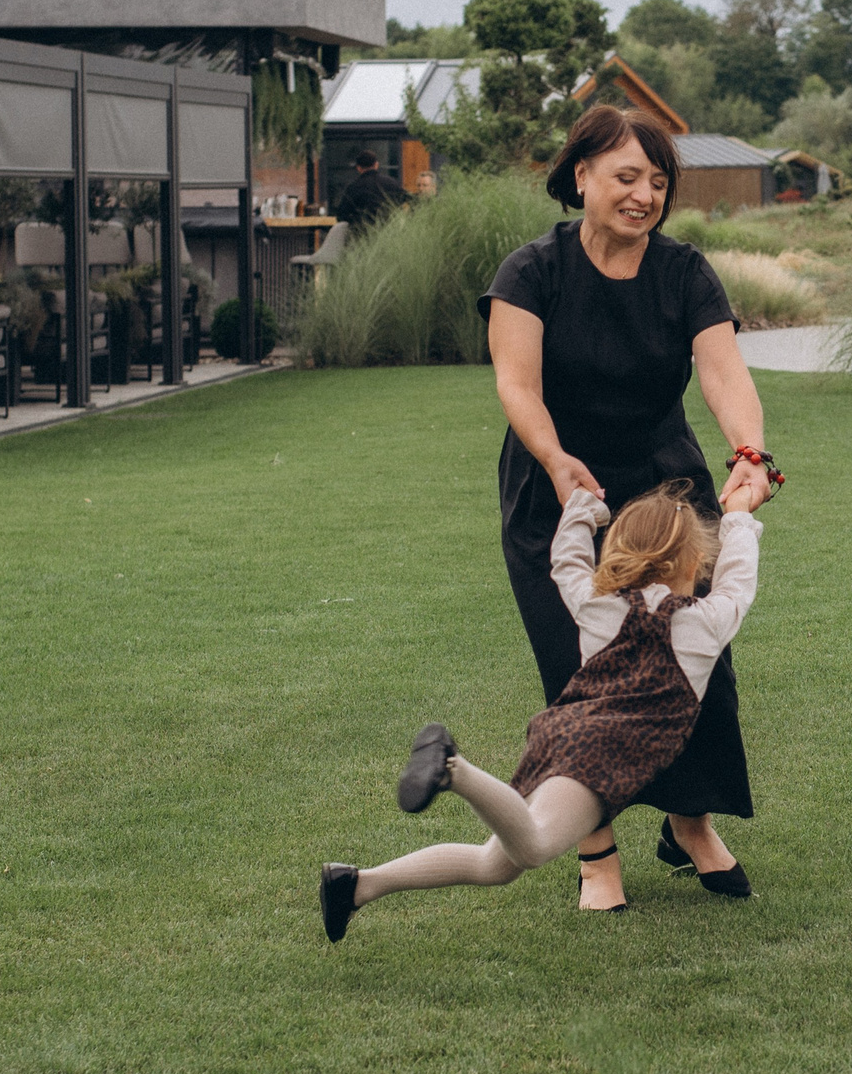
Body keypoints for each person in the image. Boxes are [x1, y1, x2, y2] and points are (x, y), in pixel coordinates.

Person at [483, 104, 780, 911]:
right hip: (560, 492)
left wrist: (749, 454)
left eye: (658, 180)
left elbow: (722, 373)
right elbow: (517, 382)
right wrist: (555, 461)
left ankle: (690, 824)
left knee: (697, 658)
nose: (644, 193)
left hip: (664, 493)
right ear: (580, 176)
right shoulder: (532, 271)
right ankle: (596, 852)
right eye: (626, 176)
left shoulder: (685, 273)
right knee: (581, 672)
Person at [319, 481, 762, 939]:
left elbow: (567, 563)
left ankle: (353, 886)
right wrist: (739, 515)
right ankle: (452, 768)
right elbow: (738, 574)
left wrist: (581, 510)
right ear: (695, 563)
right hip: (601, 759)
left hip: (562, 732)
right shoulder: (707, 623)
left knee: (497, 864)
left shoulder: (597, 604)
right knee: (532, 847)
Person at [332, 150, 408, 234]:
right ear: (376, 165)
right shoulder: (391, 183)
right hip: (389, 234)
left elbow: (341, 215)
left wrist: (357, 221)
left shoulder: (354, 187)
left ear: (358, 168)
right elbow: (410, 200)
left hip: (362, 235)